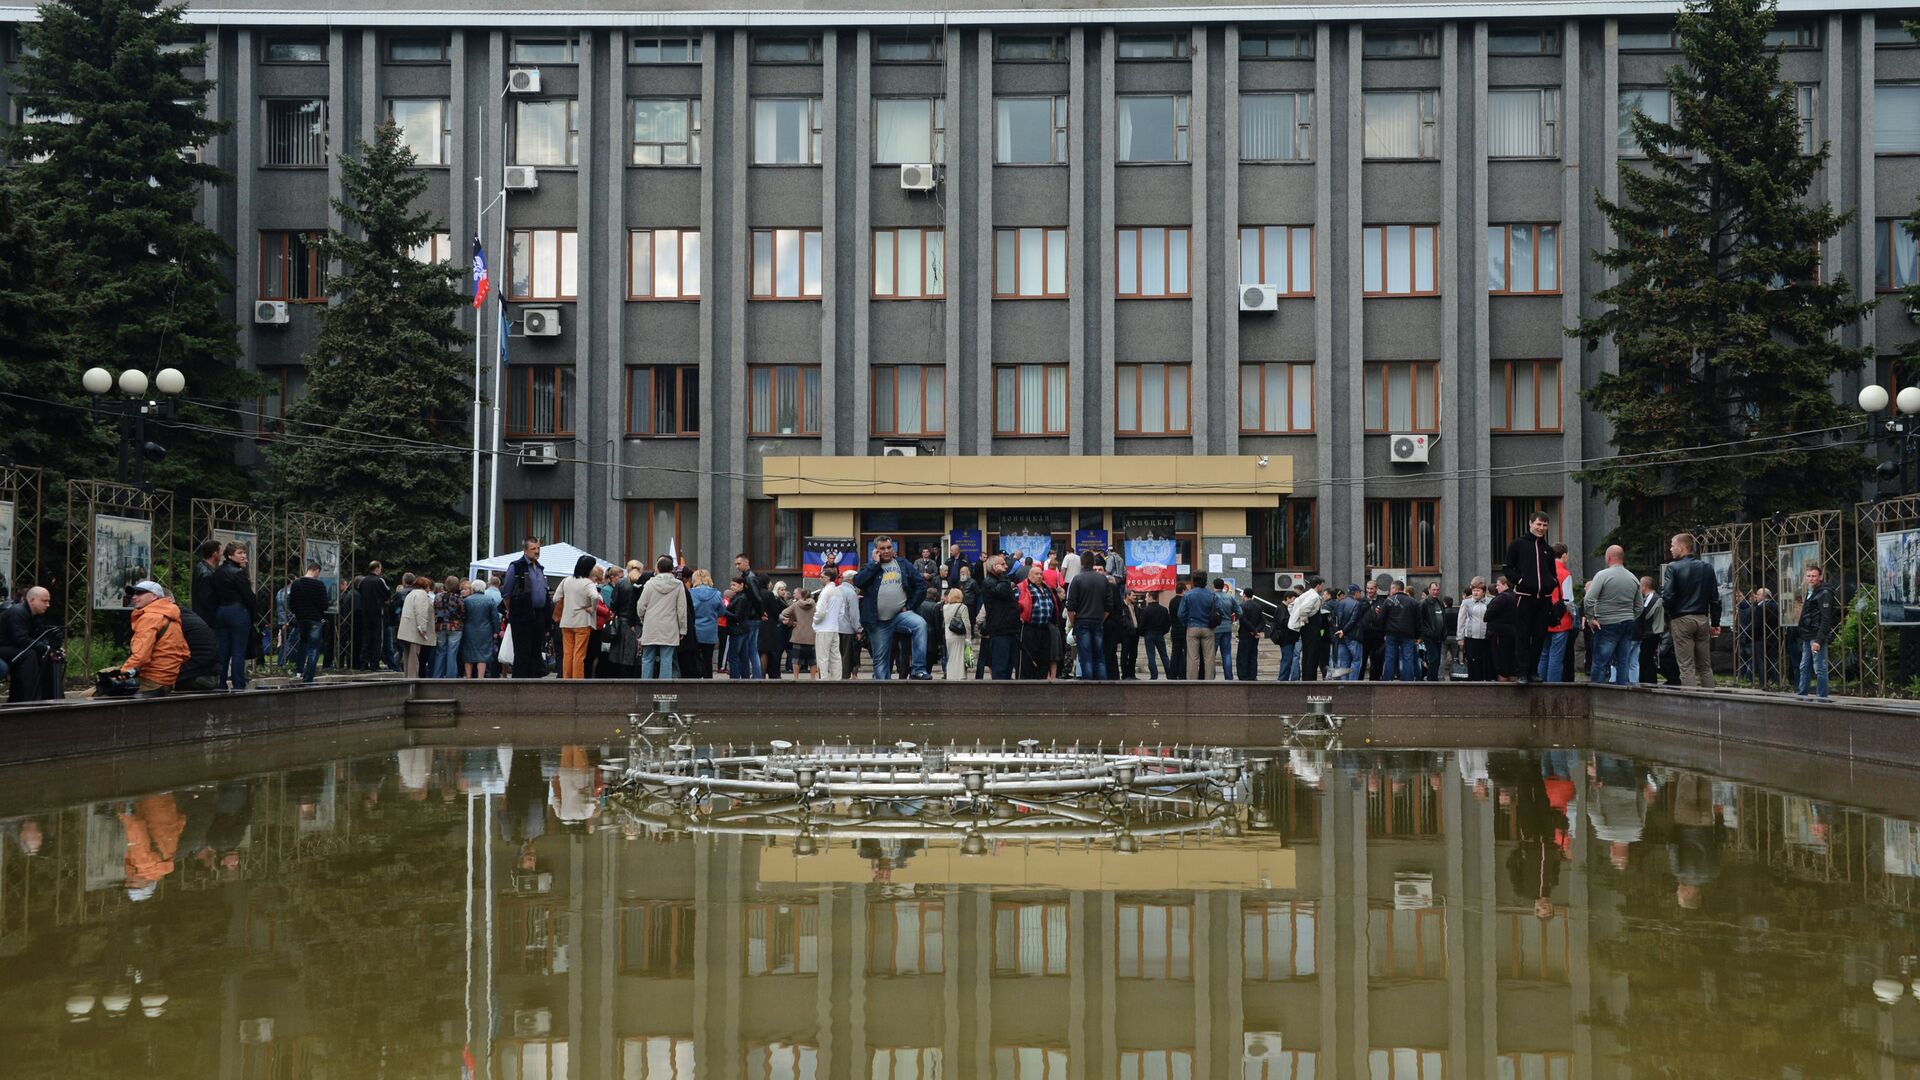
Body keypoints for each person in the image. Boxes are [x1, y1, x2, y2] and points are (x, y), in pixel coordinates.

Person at [853, 536, 931, 680]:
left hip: (899, 616)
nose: (887, 551)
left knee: (920, 624)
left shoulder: (902, 564)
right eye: (882, 548)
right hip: (878, 622)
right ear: (876, 551)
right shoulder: (869, 567)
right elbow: (858, 581)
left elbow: (921, 586)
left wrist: (909, 606)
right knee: (880, 662)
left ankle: (918, 670)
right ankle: (883, 693)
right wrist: (875, 564)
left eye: (889, 547)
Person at [122, 581, 218, 696]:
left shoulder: (150, 617)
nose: (134, 597)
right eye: (134, 594)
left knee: (103, 685)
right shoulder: (174, 616)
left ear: (154, 597)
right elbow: (184, 652)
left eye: (140, 593)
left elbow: (141, 656)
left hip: (160, 679)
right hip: (173, 677)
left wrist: (123, 673)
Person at [1501, 511, 1558, 686]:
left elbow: (1552, 573)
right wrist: (1520, 581)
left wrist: (1552, 582)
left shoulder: (1548, 550)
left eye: (1545, 525)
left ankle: (1533, 671)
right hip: (1524, 597)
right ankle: (1522, 672)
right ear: (1531, 524)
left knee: (1540, 636)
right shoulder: (1518, 544)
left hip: (1544, 599)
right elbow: (1507, 567)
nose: (1541, 528)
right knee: (1523, 636)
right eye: (1539, 524)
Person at [1660, 532, 1722, 688]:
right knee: (1705, 666)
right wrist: (1715, 622)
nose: (1670, 549)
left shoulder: (1673, 568)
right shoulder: (1707, 567)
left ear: (1681, 548)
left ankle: (1692, 704)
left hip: (1681, 618)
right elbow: (1715, 598)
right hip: (1702, 619)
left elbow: (1667, 596)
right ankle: (1711, 699)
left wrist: (1670, 614)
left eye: (1672, 545)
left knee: (1686, 666)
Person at [1584, 545, 1640, 686]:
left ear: (1608, 558)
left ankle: (1596, 693)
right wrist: (1630, 616)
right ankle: (1622, 694)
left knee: (1600, 661)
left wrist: (1591, 618)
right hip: (1627, 622)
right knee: (1623, 661)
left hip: (1606, 623)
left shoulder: (1603, 575)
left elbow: (1588, 599)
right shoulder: (1633, 578)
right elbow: (1639, 606)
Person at [500, 540, 551, 678]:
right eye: (533, 548)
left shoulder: (540, 568)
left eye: (538, 548)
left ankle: (534, 680)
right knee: (523, 652)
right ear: (525, 550)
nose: (537, 551)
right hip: (522, 615)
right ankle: (520, 683)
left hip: (538, 614)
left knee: (536, 650)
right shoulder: (516, 567)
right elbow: (507, 594)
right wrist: (515, 610)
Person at [211, 542, 258, 690]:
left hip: (221, 611)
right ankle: (239, 684)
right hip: (238, 611)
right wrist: (254, 613)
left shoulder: (218, 571)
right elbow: (249, 597)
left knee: (224, 650)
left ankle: (221, 683)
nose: (244, 556)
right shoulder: (238, 573)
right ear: (230, 555)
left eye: (244, 553)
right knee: (238, 650)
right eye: (240, 553)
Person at [635, 556, 688, 679]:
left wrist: (644, 619)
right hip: (670, 627)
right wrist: (682, 629)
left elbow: (641, 606)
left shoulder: (649, 584)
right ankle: (664, 691)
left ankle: (645, 689)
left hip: (651, 625)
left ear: (657, 568)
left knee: (647, 658)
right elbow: (681, 609)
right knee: (667, 659)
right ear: (671, 570)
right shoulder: (678, 585)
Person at [1795, 564, 1841, 701]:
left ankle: (1822, 697)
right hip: (1807, 635)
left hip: (1816, 636)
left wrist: (1819, 640)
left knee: (1819, 668)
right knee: (1804, 667)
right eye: (1808, 576)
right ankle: (1802, 693)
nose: (1811, 579)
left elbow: (1826, 619)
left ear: (1820, 577)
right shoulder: (1811, 592)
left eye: (1814, 576)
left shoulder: (1824, 593)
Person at [553, 555, 600, 680]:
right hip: (582, 621)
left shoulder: (566, 580)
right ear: (588, 568)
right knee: (579, 654)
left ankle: (566, 679)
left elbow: (555, 598)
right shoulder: (588, 583)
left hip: (566, 621)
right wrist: (592, 608)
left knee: (567, 653)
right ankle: (577, 680)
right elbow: (595, 597)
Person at [1064, 551, 1109, 681]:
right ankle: (1103, 686)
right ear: (1093, 563)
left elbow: (1070, 606)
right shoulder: (1102, 579)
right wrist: (1102, 618)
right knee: (1099, 655)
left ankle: (1088, 686)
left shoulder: (1077, 579)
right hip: (1098, 620)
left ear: (1081, 563)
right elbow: (1108, 605)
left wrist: (1074, 623)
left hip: (1082, 621)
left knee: (1085, 655)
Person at [978, 554, 1020, 680]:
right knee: (1000, 666)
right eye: (1003, 564)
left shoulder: (1000, 580)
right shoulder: (990, 581)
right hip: (999, 629)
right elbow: (1003, 591)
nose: (1006, 567)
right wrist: (1004, 578)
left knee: (1009, 665)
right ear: (994, 566)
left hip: (1009, 628)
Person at [1536, 544, 1575, 683]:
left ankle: (1539, 684)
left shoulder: (1542, 570)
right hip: (1560, 619)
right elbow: (1568, 601)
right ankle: (1553, 687)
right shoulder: (1564, 573)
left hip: (1543, 617)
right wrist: (1573, 616)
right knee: (1556, 656)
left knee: (1543, 654)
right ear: (1564, 555)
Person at [1016, 562, 1062, 680]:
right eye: (1036, 574)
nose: (1040, 576)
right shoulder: (1022, 588)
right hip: (1029, 628)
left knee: (1043, 659)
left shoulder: (1047, 588)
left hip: (1045, 628)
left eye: (1041, 574)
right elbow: (1013, 605)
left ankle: (1041, 686)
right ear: (1030, 576)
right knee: (1027, 660)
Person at [286, 562, 330, 684]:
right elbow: (324, 605)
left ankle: (298, 671)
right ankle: (308, 677)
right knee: (314, 648)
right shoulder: (319, 585)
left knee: (302, 644)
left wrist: (300, 612)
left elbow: (291, 604)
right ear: (316, 570)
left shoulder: (296, 583)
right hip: (315, 620)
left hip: (302, 619)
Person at [810, 566, 855, 681]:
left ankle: (823, 680)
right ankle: (837, 679)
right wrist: (833, 620)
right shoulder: (837, 591)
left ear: (828, 578)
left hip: (824, 629)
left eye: (822, 577)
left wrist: (815, 621)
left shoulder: (825, 592)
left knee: (822, 657)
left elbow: (820, 611)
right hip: (834, 628)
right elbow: (841, 612)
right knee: (836, 656)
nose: (820, 579)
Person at [1181, 570, 1220, 680]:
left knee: (1193, 657)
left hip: (1192, 627)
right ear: (1206, 581)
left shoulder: (1188, 595)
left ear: (1194, 581)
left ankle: (1192, 682)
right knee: (1209, 658)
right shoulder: (1212, 595)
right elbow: (1218, 611)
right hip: (1208, 628)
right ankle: (1209, 681)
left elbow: (1181, 613)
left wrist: (1186, 623)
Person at [732, 554, 767, 678]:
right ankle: (756, 676)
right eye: (736, 563)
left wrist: (761, 613)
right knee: (751, 649)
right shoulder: (748, 576)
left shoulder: (750, 578)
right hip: (753, 617)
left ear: (747, 562)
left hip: (751, 617)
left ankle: (755, 677)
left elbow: (757, 597)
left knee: (749, 650)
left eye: (739, 563)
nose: (737, 566)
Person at [397, 570, 436, 678]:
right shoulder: (422, 595)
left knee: (407, 656)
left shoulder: (411, 593)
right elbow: (421, 612)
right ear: (425, 586)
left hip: (406, 631)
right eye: (428, 586)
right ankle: (413, 679)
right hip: (415, 632)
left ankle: (408, 676)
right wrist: (423, 629)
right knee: (414, 657)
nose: (429, 589)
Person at [1380, 580, 1421, 681]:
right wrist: (1418, 636)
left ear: (1395, 588)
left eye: (1391, 588)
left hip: (1391, 634)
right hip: (1408, 635)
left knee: (1390, 657)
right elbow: (1418, 621)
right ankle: (1408, 681)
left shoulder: (1388, 601)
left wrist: (1384, 632)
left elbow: (1381, 619)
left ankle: (1387, 680)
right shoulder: (1413, 602)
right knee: (1408, 658)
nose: (1390, 590)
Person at [687, 569, 724, 678]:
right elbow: (722, 612)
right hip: (710, 631)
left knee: (695, 659)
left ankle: (696, 680)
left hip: (694, 631)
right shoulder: (716, 594)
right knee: (708, 659)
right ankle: (708, 684)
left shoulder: (690, 593)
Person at [461, 578, 500, 678]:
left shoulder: (466, 601)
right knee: (483, 655)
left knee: (468, 653)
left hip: (469, 630)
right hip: (485, 631)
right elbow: (495, 617)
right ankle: (480, 677)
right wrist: (496, 631)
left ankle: (469, 677)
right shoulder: (489, 600)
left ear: (473, 588)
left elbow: (462, 616)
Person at [1486, 577, 1520, 682]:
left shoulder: (1501, 598)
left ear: (1505, 584)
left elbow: (1487, 616)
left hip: (1499, 635)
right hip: (1514, 633)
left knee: (1501, 666)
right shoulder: (1517, 597)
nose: (1496, 587)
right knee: (1512, 665)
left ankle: (1502, 694)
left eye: (1498, 585)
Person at [723, 575, 757, 679]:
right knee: (743, 656)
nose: (732, 587)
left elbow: (737, 616)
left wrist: (724, 611)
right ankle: (745, 678)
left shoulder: (741, 598)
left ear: (741, 585)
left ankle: (735, 679)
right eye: (731, 585)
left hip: (737, 631)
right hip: (742, 630)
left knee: (733, 657)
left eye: (734, 585)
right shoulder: (740, 596)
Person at [1294, 578, 1329, 681]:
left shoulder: (1307, 594)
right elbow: (1303, 610)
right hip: (1312, 630)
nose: (1323, 587)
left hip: (1308, 630)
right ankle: (1310, 677)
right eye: (1322, 585)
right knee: (1311, 654)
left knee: (1308, 654)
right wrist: (1306, 621)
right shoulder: (1314, 596)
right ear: (1318, 585)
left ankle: (1307, 676)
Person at [1458, 578, 1492, 681]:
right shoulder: (1466, 602)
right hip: (1471, 637)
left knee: (1486, 661)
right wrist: (1460, 637)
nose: (1475, 593)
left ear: (1484, 591)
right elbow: (1461, 620)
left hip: (1486, 637)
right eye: (1473, 590)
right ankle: (1474, 682)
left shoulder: (1490, 601)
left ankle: (1486, 681)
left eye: (1478, 590)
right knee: (1473, 661)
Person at [432, 574, 464, 679]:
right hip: (455, 627)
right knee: (452, 652)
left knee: (440, 652)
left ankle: (437, 676)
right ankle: (451, 677)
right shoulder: (458, 598)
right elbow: (463, 612)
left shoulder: (438, 596)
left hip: (440, 626)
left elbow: (434, 610)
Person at [1636, 575, 1667, 685]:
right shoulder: (1650, 598)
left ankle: (1649, 681)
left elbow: (1646, 614)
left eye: (1640, 584)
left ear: (1645, 586)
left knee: (1646, 658)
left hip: (1651, 632)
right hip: (1650, 632)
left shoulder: (1653, 598)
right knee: (1645, 658)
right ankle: (1646, 680)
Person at [782, 587, 819, 677]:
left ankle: (796, 678)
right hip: (812, 636)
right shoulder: (815, 605)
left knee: (796, 660)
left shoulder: (796, 605)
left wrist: (792, 622)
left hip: (798, 636)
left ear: (801, 595)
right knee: (813, 661)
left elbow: (784, 613)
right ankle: (813, 678)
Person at [1331, 583, 1365, 680]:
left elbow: (1334, 619)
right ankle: (1352, 683)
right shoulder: (1356, 604)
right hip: (1353, 636)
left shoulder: (1339, 603)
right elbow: (1353, 620)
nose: (1360, 595)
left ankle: (1343, 684)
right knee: (1356, 660)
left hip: (1341, 637)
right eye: (1359, 592)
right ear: (1356, 593)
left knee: (1343, 662)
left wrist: (1338, 631)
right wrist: (1344, 631)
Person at [1136, 591, 1171, 680]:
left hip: (1149, 635)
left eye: (1147, 597)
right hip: (1159, 634)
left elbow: (1142, 624)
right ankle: (1169, 674)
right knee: (1164, 655)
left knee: (1151, 655)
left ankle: (1154, 675)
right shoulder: (1163, 609)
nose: (1145, 599)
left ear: (1151, 597)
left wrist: (1142, 633)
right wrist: (1163, 632)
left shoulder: (1145, 610)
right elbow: (1167, 624)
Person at [940, 587, 972, 681]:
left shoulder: (945, 607)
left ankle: (950, 676)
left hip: (948, 636)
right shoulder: (963, 607)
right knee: (959, 657)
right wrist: (968, 637)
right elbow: (967, 624)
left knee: (951, 657)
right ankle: (960, 677)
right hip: (959, 636)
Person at [1418, 582, 1447, 681]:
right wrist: (1426, 633)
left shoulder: (1440, 603)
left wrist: (1444, 632)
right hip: (1429, 637)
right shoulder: (1424, 603)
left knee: (1437, 660)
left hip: (1439, 637)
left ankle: (1433, 679)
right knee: (1433, 658)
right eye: (1434, 590)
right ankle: (1432, 680)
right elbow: (1419, 621)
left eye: (1438, 590)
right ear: (1429, 590)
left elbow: (1443, 618)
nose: (1436, 592)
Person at [1212, 579, 1239, 680]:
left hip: (1214, 629)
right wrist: (1232, 620)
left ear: (1213, 585)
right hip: (1227, 628)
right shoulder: (1229, 597)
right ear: (1223, 586)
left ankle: (1212, 676)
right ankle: (1229, 677)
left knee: (1211, 655)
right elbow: (1239, 612)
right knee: (1227, 654)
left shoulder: (1212, 596)